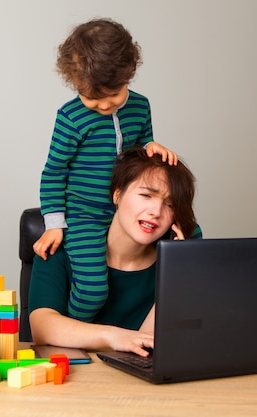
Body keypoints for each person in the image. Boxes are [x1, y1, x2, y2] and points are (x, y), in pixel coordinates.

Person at [34, 18, 179, 324]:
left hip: (128, 208)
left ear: (129, 75)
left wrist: (153, 146)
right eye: (92, 98)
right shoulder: (71, 118)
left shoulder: (140, 107)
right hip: (85, 215)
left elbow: (143, 148)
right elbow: (53, 173)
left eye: (113, 95)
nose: (104, 106)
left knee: (192, 234)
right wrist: (55, 223)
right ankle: (76, 335)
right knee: (92, 290)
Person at [29, 147, 197, 356]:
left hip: (135, 384)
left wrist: (174, 276)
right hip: (70, 381)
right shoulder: (59, 248)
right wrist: (115, 337)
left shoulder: (174, 268)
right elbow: (42, 327)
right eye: (146, 195)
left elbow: (146, 348)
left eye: (170, 205)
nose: (156, 212)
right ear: (117, 195)